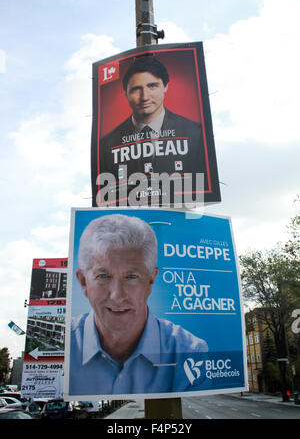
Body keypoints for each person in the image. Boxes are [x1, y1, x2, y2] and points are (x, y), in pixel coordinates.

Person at [69, 213, 208, 395]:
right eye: (103, 276)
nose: (117, 296)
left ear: (151, 280)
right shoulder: (61, 345)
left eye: (131, 277)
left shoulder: (191, 352)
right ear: (83, 282)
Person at [98, 56, 208, 202]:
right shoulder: (106, 145)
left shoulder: (196, 133)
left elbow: (202, 186)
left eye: (152, 86)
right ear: (125, 93)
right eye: (136, 89)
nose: (145, 97)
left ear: (165, 86)